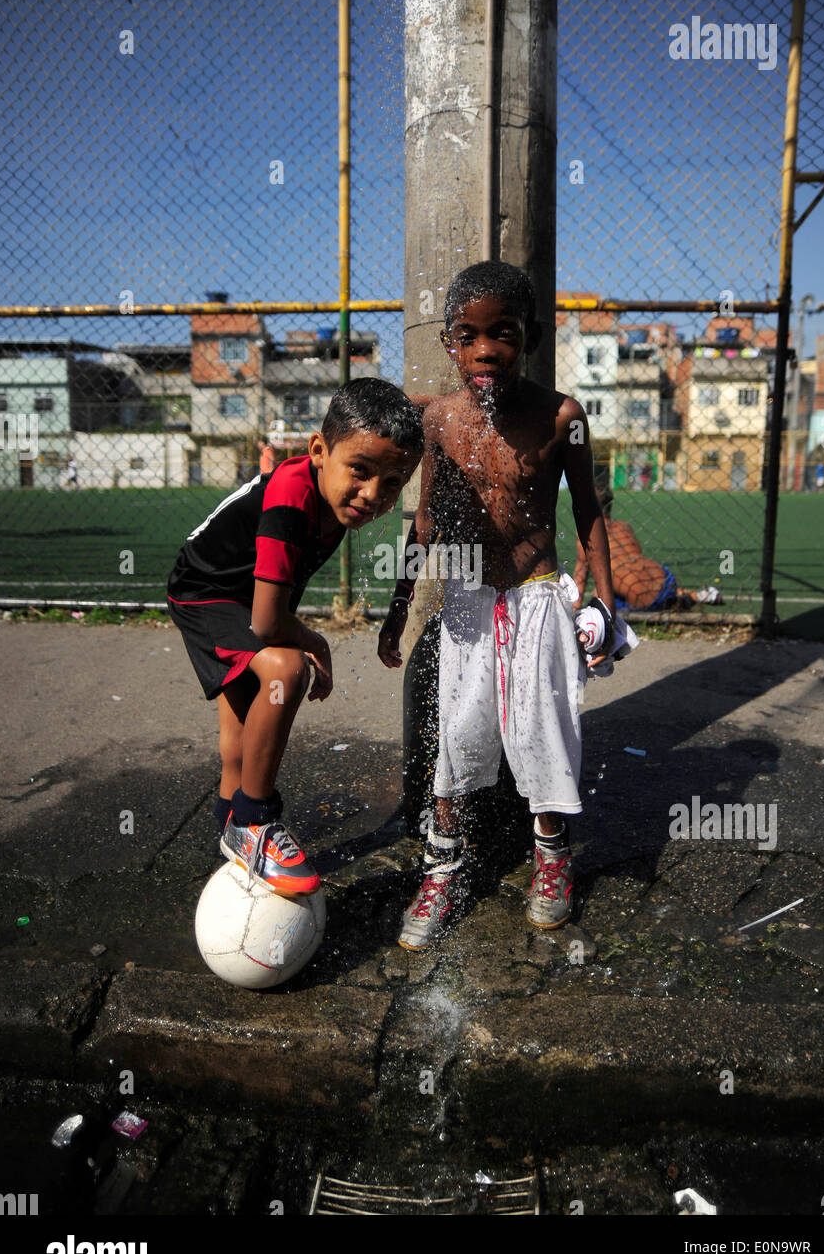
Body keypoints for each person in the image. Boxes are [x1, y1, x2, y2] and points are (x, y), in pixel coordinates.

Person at [378, 261, 634, 949]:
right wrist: (398, 607)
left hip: (535, 598)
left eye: (504, 334)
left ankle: (552, 860)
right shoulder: (438, 421)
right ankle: (442, 867)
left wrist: (603, 604)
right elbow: (425, 522)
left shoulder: (560, 418)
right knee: (457, 736)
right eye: (469, 334)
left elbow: (587, 515)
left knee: (541, 732)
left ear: (532, 337)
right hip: (466, 600)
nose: (487, 349)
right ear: (449, 343)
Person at [168, 377, 423, 896]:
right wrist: (316, 642)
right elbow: (266, 623)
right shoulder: (292, 498)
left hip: (241, 593)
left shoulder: (324, 494)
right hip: (208, 593)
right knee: (285, 669)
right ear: (319, 450)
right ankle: (254, 822)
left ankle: (231, 846)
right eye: (361, 470)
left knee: (240, 732)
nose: (373, 494)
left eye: (393, 482)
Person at [573, 487, 722, 610]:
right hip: (663, 577)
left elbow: (581, 574)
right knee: (625, 581)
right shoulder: (624, 527)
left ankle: (674, 601)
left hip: (641, 596)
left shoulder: (585, 534)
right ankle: (697, 595)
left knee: (598, 594)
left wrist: (574, 609)